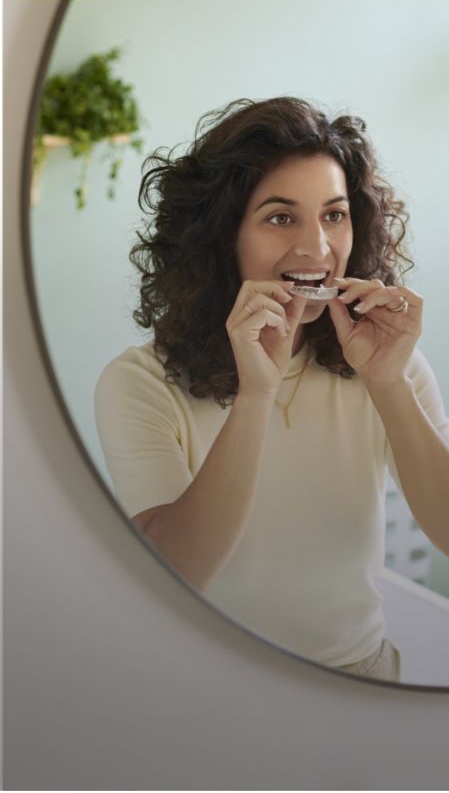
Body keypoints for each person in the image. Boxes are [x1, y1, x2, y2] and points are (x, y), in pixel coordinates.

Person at [95, 97, 449, 682]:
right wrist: (256, 395)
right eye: (281, 217)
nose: (316, 248)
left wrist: (388, 383)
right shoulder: (138, 384)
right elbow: (176, 574)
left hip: (362, 678)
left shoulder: (389, 363)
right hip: (211, 688)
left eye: (334, 215)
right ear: (221, 237)